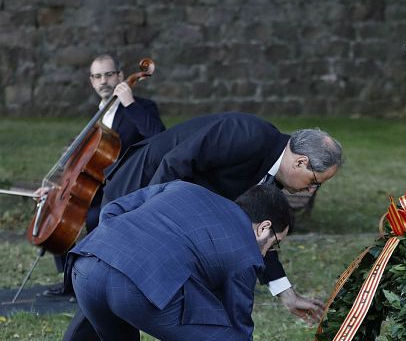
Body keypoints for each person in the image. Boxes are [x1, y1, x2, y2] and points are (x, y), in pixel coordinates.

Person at [63, 112, 342, 341]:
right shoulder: (249, 134)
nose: (312, 191)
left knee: (120, 286)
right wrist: (149, 217)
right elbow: (175, 162)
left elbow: (256, 237)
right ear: (301, 162)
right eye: (316, 181)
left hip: (171, 212)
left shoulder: (271, 182)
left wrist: (285, 293)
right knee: (119, 273)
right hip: (142, 187)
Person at [67, 181, 293, 341]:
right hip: (138, 289)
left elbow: (113, 208)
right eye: (274, 243)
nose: (266, 253)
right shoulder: (246, 252)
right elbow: (238, 326)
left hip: (87, 266)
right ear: (264, 227)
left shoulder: (180, 187)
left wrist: (117, 245)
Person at [44, 54, 165, 298]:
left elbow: (160, 138)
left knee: (90, 218)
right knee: (58, 213)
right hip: (98, 184)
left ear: (120, 76)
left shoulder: (142, 107)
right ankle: (70, 280)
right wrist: (56, 186)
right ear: (91, 82)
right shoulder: (96, 116)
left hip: (127, 187)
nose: (104, 81)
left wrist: (129, 103)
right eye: (97, 76)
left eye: (109, 74)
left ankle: (93, 282)